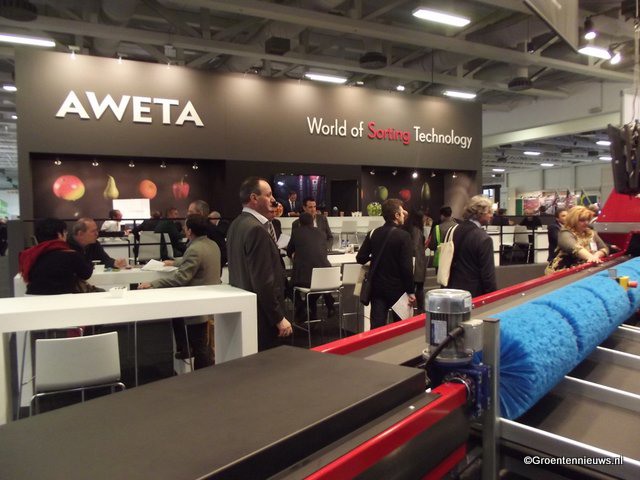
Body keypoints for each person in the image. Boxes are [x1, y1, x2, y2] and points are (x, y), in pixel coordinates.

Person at [138, 214, 221, 369]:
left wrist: (154, 284)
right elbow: (193, 260)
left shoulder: (194, 248)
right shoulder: (212, 244)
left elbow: (181, 279)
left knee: (201, 348)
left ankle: (200, 374)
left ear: (189, 231)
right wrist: (175, 262)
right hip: (211, 301)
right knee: (205, 347)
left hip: (197, 306)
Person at [227, 176, 292, 350]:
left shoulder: (236, 225)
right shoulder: (257, 230)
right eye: (268, 195)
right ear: (254, 198)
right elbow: (263, 281)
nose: (273, 200)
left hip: (246, 311)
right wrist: (278, 318)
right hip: (263, 318)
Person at [356, 198, 415, 329]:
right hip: (398, 290)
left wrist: (375, 256)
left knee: (377, 328)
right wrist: (411, 291)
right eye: (402, 212)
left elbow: (360, 258)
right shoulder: (404, 236)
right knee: (400, 328)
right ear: (396, 215)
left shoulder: (373, 233)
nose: (404, 214)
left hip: (377, 288)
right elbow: (406, 267)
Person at [19, 217, 93, 295]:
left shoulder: (30, 254)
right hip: (63, 298)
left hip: (32, 297)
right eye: (65, 232)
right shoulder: (70, 255)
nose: (66, 235)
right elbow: (86, 274)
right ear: (59, 235)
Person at [287, 212, 336, 321]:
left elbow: (289, 251)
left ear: (299, 223)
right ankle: (313, 309)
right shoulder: (322, 233)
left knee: (288, 288)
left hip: (305, 278)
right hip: (326, 278)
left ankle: (302, 308)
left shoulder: (296, 233)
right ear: (312, 222)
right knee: (317, 287)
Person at [447, 195, 497, 298]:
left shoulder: (454, 230)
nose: (491, 215)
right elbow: (488, 276)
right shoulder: (484, 239)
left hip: (452, 288)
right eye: (489, 212)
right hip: (473, 294)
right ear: (480, 213)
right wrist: (493, 297)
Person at [545, 206, 609, 274]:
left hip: (584, 269)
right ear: (573, 220)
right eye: (582, 220)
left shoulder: (591, 232)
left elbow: (604, 248)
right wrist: (590, 257)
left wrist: (596, 255)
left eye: (587, 219)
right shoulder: (565, 233)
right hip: (562, 272)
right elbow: (574, 248)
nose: (586, 222)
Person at [188, 200, 227, 266]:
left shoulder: (212, 231)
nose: (188, 214)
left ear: (200, 213)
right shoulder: (195, 229)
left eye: (191, 212)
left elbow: (223, 254)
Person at [402, 208, 427, 313]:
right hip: (417, 263)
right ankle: (421, 311)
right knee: (419, 287)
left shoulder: (407, 228)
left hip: (410, 262)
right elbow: (415, 247)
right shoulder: (416, 230)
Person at [428, 206, 457, 272]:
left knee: (441, 277)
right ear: (451, 214)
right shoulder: (458, 226)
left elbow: (432, 246)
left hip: (441, 260)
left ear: (442, 216)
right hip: (454, 259)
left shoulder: (437, 228)